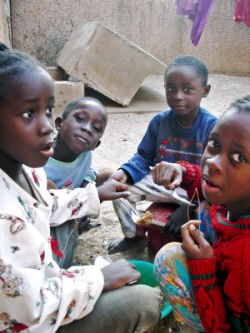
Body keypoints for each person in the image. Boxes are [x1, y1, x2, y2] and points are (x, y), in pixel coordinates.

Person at [0, 44, 162, 333]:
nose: (46, 126)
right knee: (145, 300)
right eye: (28, 113)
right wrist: (97, 278)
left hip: (47, 274)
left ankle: (130, 234)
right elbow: (28, 304)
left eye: (47, 110)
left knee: (73, 213)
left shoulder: (28, 169)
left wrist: (96, 194)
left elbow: (49, 204)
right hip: (30, 321)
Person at [153, 95, 250, 332]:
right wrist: (182, 171)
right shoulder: (235, 196)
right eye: (215, 144)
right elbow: (206, 188)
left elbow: (225, 329)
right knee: (205, 208)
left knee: (168, 259)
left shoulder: (244, 258)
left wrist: (203, 266)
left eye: (239, 157)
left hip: (231, 314)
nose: (214, 162)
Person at [109, 55, 217, 254]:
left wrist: (189, 210)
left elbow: (214, 175)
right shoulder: (160, 122)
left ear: (205, 91)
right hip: (162, 185)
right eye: (170, 88)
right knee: (118, 190)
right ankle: (135, 235)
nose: (177, 96)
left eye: (187, 89)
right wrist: (125, 172)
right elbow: (143, 156)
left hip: (195, 192)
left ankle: (193, 232)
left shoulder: (212, 127)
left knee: (213, 208)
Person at [44, 97, 113, 268]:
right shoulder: (42, 161)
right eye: (80, 119)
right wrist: (90, 199)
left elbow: (87, 173)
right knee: (50, 187)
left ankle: (132, 232)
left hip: (73, 202)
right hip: (48, 213)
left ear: (96, 144)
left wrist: (85, 189)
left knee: (112, 175)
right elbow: (50, 203)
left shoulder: (85, 154)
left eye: (96, 128)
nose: (87, 129)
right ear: (59, 124)